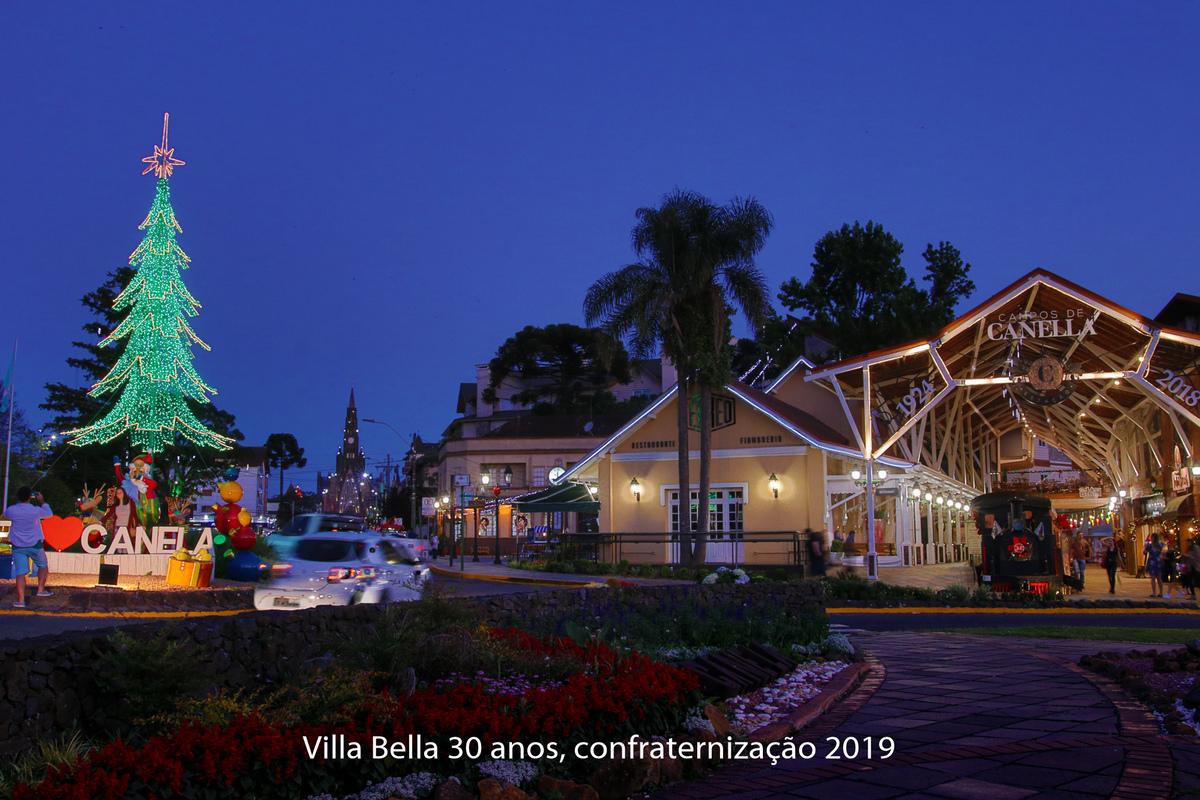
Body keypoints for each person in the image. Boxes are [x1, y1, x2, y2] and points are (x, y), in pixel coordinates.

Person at [3, 487, 54, 608]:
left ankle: (21, 600)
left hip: (18, 545)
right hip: (34, 544)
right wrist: (42, 501)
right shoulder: (35, 510)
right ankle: (40, 588)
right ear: (30, 497)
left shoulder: (12, 510)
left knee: (20, 573)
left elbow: (6, 514)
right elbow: (49, 514)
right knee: (42, 565)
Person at [1144, 532, 1165, 598]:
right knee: (1159, 578)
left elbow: (1144, 552)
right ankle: (1161, 592)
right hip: (1158, 561)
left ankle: (1154, 593)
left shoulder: (1150, 546)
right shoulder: (1161, 545)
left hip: (1152, 561)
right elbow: (1164, 552)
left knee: (1153, 578)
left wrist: (1145, 546)